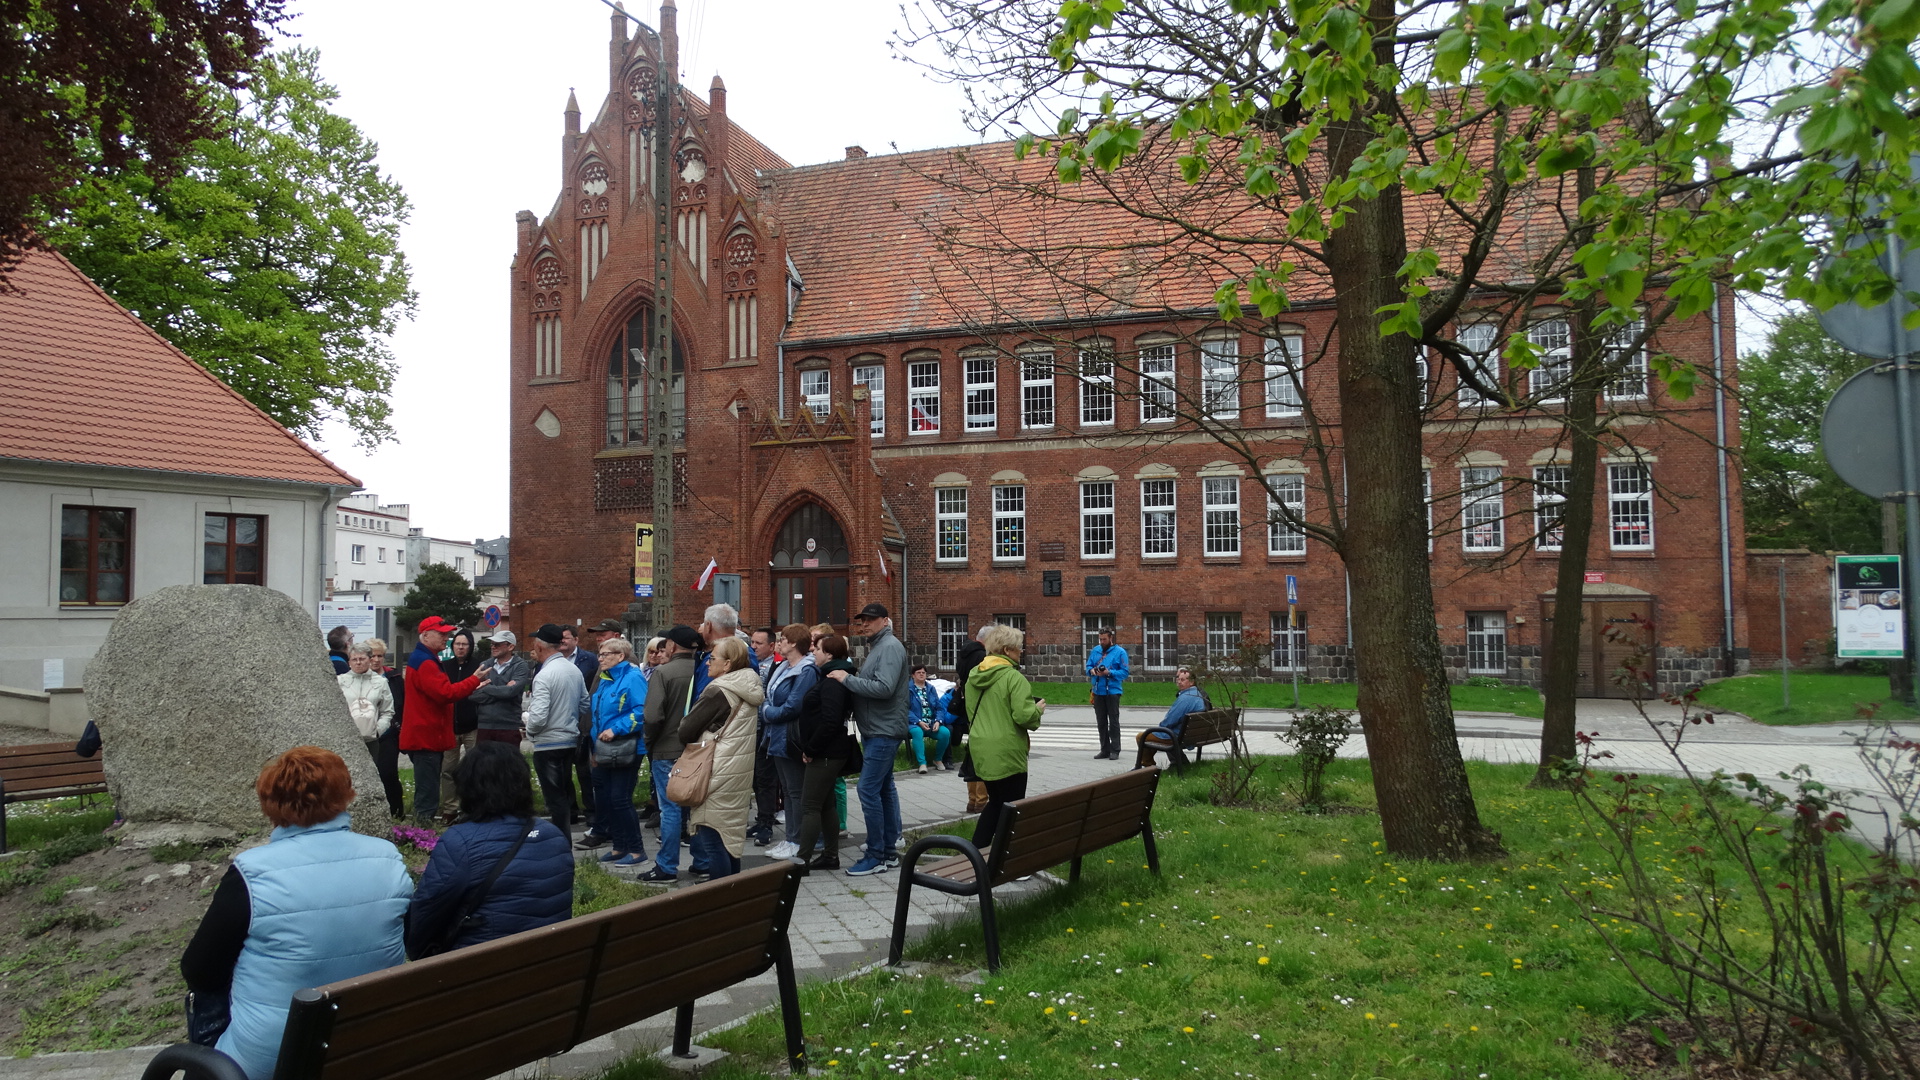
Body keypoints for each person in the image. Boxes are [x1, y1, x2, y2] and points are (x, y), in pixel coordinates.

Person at [179, 747, 411, 1080]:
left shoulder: (253, 872)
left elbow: (199, 970)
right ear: (345, 795)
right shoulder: (387, 857)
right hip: (368, 1044)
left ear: (270, 803)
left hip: (270, 1061)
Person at [404, 742, 572, 958]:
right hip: (551, 962)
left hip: (485, 968)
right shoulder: (554, 836)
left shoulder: (460, 841)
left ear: (468, 787)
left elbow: (426, 915)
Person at [825, 602, 910, 876]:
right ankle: (888, 852)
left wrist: (846, 680)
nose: (865, 624)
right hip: (878, 729)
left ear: (885, 621)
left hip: (884, 730)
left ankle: (876, 855)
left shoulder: (889, 647)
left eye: (871, 620)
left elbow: (884, 688)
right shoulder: (880, 646)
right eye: (862, 620)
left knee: (867, 789)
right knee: (882, 789)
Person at [677, 637, 765, 881]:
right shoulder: (748, 685)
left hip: (716, 771)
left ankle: (722, 897)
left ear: (727, 664)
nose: (707, 662)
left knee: (713, 840)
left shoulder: (718, 691)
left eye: (712, 658)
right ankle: (735, 895)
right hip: (737, 772)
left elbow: (685, 730)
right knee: (729, 841)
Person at [965, 624, 1045, 852]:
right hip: (1007, 749)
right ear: (1007, 650)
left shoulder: (973, 676)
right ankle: (1006, 856)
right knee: (1012, 806)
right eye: (1019, 647)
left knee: (996, 802)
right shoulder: (1013, 678)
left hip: (981, 746)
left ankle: (976, 851)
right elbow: (1024, 717)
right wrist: (1037, 710)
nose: (1021, 651)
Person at [400, 616, 485, 827]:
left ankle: (421, 834)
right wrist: (474, 680)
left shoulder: (424, 658)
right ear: (425, 635)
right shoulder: (426, 662)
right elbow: (446, 693)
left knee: (428, 790)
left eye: (447, 634)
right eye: (442, 633)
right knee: (427, 794)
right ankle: (421, 835)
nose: (447, 638)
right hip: (426, 738)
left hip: (425, 736)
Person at [639, 625, 704, 883]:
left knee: (670, 809)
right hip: (698, 749)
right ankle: (702, 861)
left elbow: (652, 716)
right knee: (696, 805)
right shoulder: (704, 668)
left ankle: (667, 866)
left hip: (667, 748)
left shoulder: (663, 673)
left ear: (672, 646)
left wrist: (649, 741)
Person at [791, 633, 856, 873]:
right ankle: (830, 856)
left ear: (829, 654)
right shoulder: (831, 677)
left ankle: (802, 861)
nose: (813, 652)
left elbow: (830, 721)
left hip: (826, 753)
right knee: (827, 804)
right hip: (828, 751)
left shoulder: (832, 682)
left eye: (817, 648)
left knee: (810, 806)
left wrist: (811, 748)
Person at [757, 624, 818, 859]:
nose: (779, 643)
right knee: (787, 790)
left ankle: (797, 840)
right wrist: (769, 709)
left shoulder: (807, 670)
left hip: (791, 737)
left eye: (783, 639)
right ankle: (790, 838)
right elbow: (767, 695)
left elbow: (793, 706)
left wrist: (767, 713)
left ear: (793, 643)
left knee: (795, 791)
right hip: (776, 736)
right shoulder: (783, 666)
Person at [588, 636, 649, 866]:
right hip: (605, 748)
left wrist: (616, 729)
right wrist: (595, 747)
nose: (600, 659)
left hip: (626, 747)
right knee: (607, 798)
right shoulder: (606, 678)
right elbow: (598, 715)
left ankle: (636, 850)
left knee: (620, 798)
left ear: (620, 656)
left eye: (605, 654)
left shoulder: (633, 677)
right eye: (599, 654)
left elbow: (642, 711)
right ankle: (619, 847)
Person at [525, 623, 586, 840]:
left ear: (540, 647)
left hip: (548, 742)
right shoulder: (574, 669)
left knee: (555, 799)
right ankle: (564, 839)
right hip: (569, 739)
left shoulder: (544, 675)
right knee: (564, 792)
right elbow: (585, 704)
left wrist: (529, 727)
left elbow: (539, 717)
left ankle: (561, 842)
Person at [562, 624, 603, 836]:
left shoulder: (589, 660)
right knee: (563, 769)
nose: (563, 642)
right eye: (560, 639)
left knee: (584, 769)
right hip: (562, 720)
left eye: (566, 638)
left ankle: (591, 810)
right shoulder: (552, 661)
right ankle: (570, 809)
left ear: (576, 640)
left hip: (584, 719)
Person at [440, 628, 485, 822]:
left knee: (475, 768)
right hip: (449, 727)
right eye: (457, 644)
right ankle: (449, 809)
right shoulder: (444, 666)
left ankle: (474, 807)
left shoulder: (478, 667)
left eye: (464, 644)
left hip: (472, 726)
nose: (460, 647)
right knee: (448, 770)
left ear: (470, 646)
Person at [746, 626, 782, 848]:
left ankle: (767, 823)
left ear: (771, 646)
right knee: (754, 779)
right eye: (752, 642)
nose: (753, 647)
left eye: (758, 643)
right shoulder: (749, 664)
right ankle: (760, 819)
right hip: (749, 729)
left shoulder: (776, 667)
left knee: (766, 778)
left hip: (766, 730)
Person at [949, 626, 991, 813]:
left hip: (968, 706)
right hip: (981, 707)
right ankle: (981, 800)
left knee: (973, 752)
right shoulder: (982, 657)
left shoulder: (965, 653)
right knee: (983, 755)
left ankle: (973, 800)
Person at [1135, 666, 1210, 770]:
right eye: (1178, 679)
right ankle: (1181, 763)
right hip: (1191, 735)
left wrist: (1160, 728)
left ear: (1191, 682)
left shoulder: (1186, 698)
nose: (1179, 682)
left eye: (1183, 680)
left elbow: (1170, 721)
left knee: (1141, 736)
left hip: (1178, 736)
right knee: (1155, 735)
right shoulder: (1197, 694)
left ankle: (1149, 767)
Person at [365, 639, 406, 817]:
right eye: (372, 656)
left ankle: (396, 813)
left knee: (388, 774)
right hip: (366, 733)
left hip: (389, 733)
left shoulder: (394, 678)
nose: (376, 660)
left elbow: (402, 703)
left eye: (379, 656)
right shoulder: (359, 678)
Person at [469, 631, 530, 747]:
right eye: (492, 644)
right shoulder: (485, 665)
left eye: (497, 644)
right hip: (484, 725)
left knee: (508, 758)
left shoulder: (520, 666)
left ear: (510, 647)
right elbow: (473, 694)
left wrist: (485, 688)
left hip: (509, 726)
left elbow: (511, 692)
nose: (493, 647)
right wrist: (504, 689)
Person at [337, 645, 393, 754]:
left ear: (370, 660)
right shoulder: (340, 681)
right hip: (345, 739)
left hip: (371, 740)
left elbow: (387, 711)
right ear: (349, 662)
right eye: (354, 659)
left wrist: (378, 731)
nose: (358, 662)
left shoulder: (381, 682)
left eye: (362, 659)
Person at [1086, 627, 1131, 760]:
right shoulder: (1095, 651)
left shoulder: (1120, 652)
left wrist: (1109, 673)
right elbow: (1088, 666)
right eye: (1100, 639)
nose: (1102, 642)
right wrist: (1092, 671)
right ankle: (1104, 749)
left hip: (1113, 691)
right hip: (1098, 690)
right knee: (1101, 722)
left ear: (1111, 638)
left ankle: (1115, 750)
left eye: (1104, 639)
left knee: (1113, 721)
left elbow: (1124, 672)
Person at [906, 665, 952, 774]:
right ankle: (922, 763)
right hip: (914, 723)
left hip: (931, 723)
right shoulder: (907, 689)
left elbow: (939, 708)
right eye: (918, 672)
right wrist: (918, 721)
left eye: (923, 672)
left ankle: (937, 759)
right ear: (913, 675)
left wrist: (938, 721)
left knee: (945, 732)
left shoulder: (931, 689)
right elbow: (905, 709)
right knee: (917, 732)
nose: (921, 674)